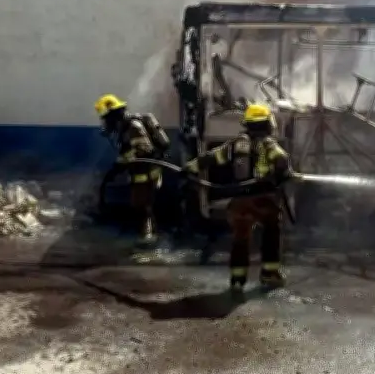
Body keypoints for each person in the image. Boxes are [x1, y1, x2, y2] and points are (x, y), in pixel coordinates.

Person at [183, 103, 291, 292]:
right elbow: (281, 159)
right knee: (272, 230)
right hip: (263, 199)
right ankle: (269, 273)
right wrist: (282, 174)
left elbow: (211, 157)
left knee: (241, 238)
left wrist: (189, 168)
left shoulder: (236, 144)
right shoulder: (268, 143)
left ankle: (237, 278)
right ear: (267, 123)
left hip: (239, 201)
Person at [95, 94, 168, 245]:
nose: (105, 122)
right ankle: (149, 236)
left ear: (113, 115)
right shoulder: (125, 127)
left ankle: (148, 240)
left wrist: (119, 165)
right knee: (143, 207)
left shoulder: (134, 127)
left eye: (106, 118)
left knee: (143, 208)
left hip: (146, 174)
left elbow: (143, 150)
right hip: (141, 173)